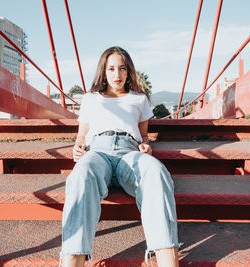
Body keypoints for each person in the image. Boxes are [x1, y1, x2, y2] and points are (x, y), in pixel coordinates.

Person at [60, 46, 179, 266]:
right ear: (103, 72)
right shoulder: (90, 98)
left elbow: (143, 136)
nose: (117, 74)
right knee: (80, 175)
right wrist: (78, 148)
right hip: (97, 151)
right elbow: (81, 137)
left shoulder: (139, 99)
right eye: (112, 68)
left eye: (122, 69)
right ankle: (72, 260)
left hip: (129, 152)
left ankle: (167, 261)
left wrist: (146, 146)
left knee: (155, 171)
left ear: (128, 71)